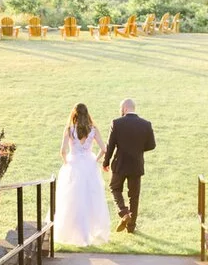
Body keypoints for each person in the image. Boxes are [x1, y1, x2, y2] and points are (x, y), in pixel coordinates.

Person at [53, 103, 111, 246]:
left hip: (74, 165)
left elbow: (63, 150)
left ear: (74, 114)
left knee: (72, 199)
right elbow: (104, 149)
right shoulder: (93, 129)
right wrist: (95, 159)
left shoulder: (69, 129)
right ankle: (89, 233)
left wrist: (66, 162)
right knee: (91, 199)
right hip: (89, 166)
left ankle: (77, 233)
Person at [102, 98, 156, 234]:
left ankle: (123, 212)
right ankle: (131, 227)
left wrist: (106, 162)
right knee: (134, 196)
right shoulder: (146, 124)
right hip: (136, 165)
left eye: (121, 108)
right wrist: (137, 149)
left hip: (119, 164)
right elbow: (152, 145)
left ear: (125, 108)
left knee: (114, 188)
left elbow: (110, 145)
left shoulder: (116, 123)